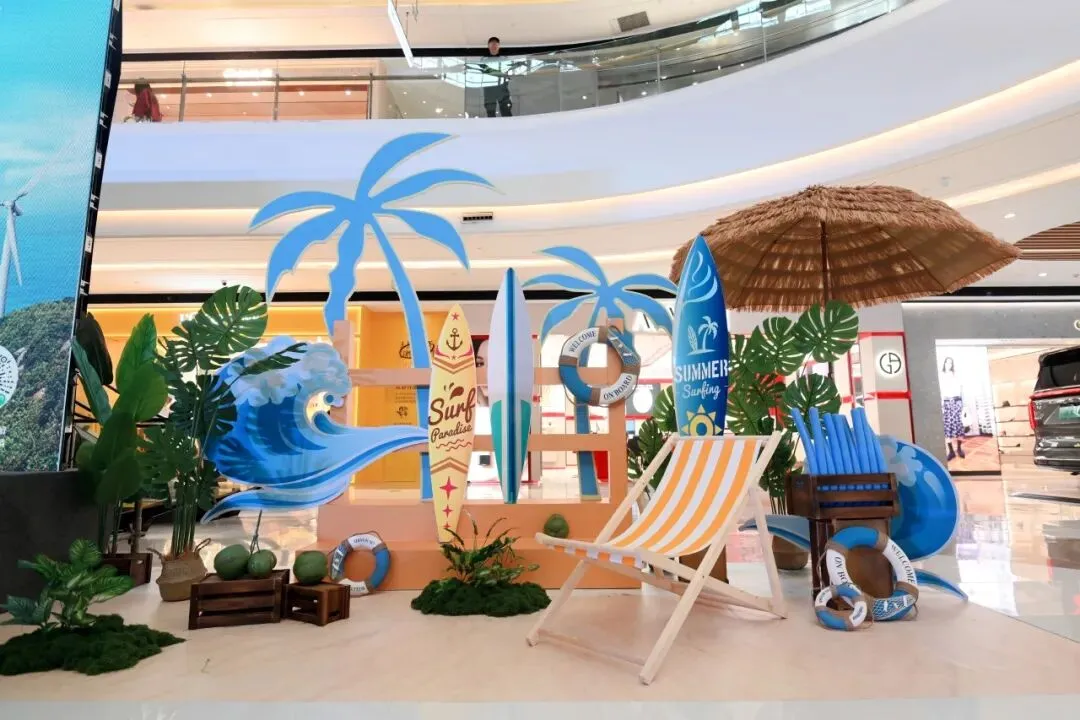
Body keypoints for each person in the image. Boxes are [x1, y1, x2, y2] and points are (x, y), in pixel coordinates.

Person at [939, 357, 966, 461]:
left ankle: (959, 449)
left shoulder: (956, 375)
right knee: (947, 427)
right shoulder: (941, 376)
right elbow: (940, 390)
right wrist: (941, 404)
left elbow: (961, 389)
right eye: (947, 363)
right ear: (944, 364)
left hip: (957, 401)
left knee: (959, 425)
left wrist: (963, 405)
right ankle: (951, 451)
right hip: (946, 402)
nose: (948, 365)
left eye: (950, 363)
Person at [481, 36, 513, 118]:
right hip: (489, 90)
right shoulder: (484, 60)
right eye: (492, 45)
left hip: (502, 89)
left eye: (495, 45)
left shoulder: (504, 59)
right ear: (488, 46)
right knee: (490, 112)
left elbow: (509, 73)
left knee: (506, 110)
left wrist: (506, 76)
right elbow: (484, 72)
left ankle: (509, 125)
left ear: (499, 46)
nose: (494, 47)